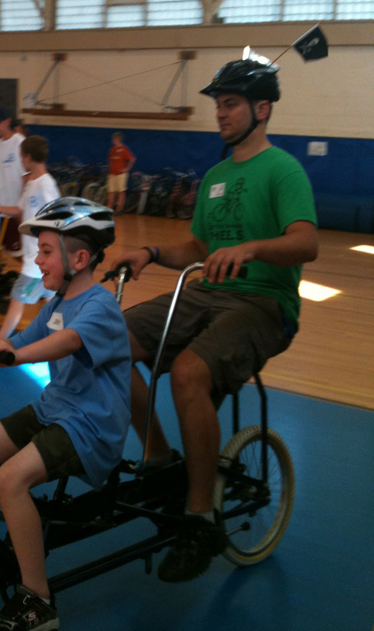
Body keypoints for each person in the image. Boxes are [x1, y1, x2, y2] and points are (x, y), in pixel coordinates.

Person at [109, 59, 318, 583]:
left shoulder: (283, 170)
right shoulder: (217, 176)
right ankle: (161, 460)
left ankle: (200, 519)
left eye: (230, 104)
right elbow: (200, 247)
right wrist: (151, 250)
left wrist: (251, 249)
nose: (220, 113)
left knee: (188, 373)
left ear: (261, 109)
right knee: (108, 340)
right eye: (218, 104)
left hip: (263, 305)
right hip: (207, 292)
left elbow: (306, 242)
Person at [0, 197, 132, 631]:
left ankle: (39, 602)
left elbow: (67, 343)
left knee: (9, 478)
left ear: (79, 258)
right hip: (55, 409)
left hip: (91, 425)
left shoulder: (99, 306)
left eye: (46, 251)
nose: (38, 260)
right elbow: (22, 338)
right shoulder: (55, 305)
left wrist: (18, 354)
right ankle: (27, 518)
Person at [0, 135, 61, 331]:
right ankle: (60, 338)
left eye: (21, 157)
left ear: (28, 157)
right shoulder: (32, 184)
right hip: (31, 257)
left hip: (38, 259)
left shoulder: (46, 184)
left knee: (18, 296)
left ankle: (0, 342)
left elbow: (57, 219)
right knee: (52, 300)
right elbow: (18, 210)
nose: (20, 161)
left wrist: (49, 253)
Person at [0, 107, 26, 254]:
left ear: (8, 121)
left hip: (17, 210)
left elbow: (27, 177)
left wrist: (22, 210)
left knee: (20, 253)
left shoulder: (20, 142)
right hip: (1, 210)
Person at [107, 132, 135, 213]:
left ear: (118, 140)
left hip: (121, 174)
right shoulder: (112, 150)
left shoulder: (124, 149)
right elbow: (110, 159)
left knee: (120, 191)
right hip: (112, 174)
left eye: (114, 139)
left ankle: (119, 208)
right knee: (111, 191)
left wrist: (127, 168)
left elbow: (132, 159)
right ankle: (110, 206)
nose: (113, 141)